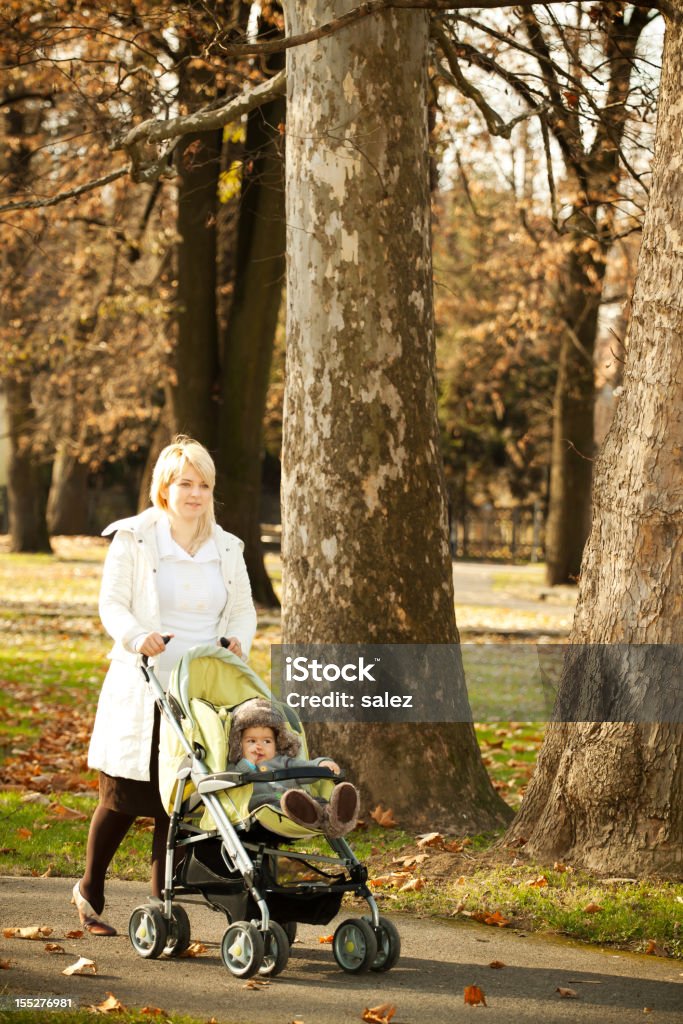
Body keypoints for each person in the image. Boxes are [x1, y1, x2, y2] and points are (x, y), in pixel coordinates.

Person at [72, 436, 257, 935]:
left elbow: (242, 610)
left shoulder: (227, 547)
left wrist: (238, 640)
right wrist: (137, 637)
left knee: (177, 803)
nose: (194, 494)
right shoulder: (134, 538)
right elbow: (112, 604)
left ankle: (162, 907)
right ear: (164, 488)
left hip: (200, 692)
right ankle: (90, 890)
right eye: (184, 483)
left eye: (203, 485)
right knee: (124, 797)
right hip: (145, 684)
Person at [227, 698, 360, 838]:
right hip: (264, 806)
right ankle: (307, 813)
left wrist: (321, 764)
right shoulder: (238, 765)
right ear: (239, 743)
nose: (259, 746)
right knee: (283, 801)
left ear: (277, 743)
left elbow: (305, 768)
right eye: (251, 741)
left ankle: (337, 818)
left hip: (299, 803)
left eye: (267, 741)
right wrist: (247, 763)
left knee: (317, 801)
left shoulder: (284, 762)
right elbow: (231, 782)